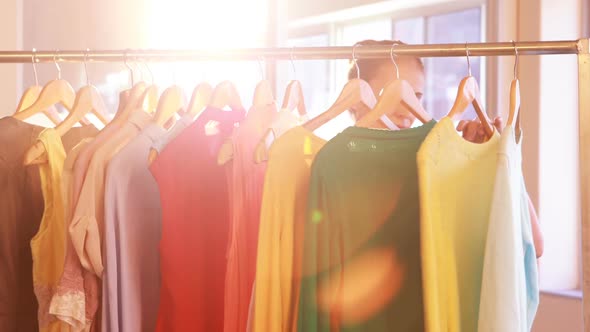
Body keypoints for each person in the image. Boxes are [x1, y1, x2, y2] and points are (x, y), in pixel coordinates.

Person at [348, 39, 543, 257]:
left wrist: (496, 158)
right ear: (355, 96)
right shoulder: (335, 165)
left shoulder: (432, 158)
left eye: (415, 97)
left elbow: (533, 244)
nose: (407, 111)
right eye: (393, 94)